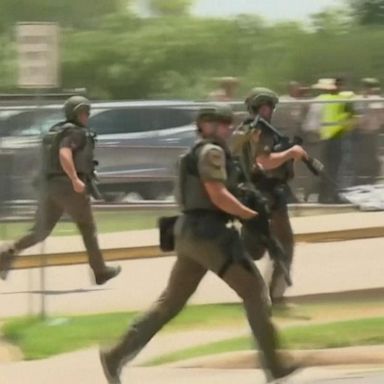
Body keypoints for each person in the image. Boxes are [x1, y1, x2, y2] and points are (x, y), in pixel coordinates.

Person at [99, 105, 298, 384]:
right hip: (210, 234)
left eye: (229, 124)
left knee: (169, 303)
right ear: (205, 125)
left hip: (190, 235)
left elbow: (233, 183)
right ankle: (274, 366)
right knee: (255, 292)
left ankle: (115, 355)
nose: (228, 129)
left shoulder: (202, 152)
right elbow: (217, 195)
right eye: (221, 124)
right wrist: (250, 215)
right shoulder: (211, 153)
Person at [0, 96, 121, 285]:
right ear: (75, 113)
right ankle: (100, 270)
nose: (86, 116)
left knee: (41, 231)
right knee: (88, 228)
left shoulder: (56, 131)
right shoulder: (74, 133)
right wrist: (74, 179)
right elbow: (64, 153)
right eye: (84, 112)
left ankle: (7, 253)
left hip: (50, 188)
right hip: (69, 188)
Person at [232, 88, 308, 307]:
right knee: (273, 246)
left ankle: (269, 295)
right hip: (264, 193)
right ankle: (270, 296)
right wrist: (290, 153)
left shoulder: (249, 129)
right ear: (255, 108)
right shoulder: (259, 131)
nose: (267, 111)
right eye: (263, 107)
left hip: (260, 193)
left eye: (269, 107)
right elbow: (264, 162)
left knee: (268, 246)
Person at [313, 78, 356, 203]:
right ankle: (330, 195)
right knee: (334, 169)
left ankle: (327, 195)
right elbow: (351, 116)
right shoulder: (341, 99)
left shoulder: (324, 99)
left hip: (328, 137)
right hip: (334, 138)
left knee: (329, 169)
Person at [353, 78, 384, 185]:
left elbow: (381, 117)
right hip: (361, 133)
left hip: (372, 132)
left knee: (373, 157)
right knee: (363, 157)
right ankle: (364, 180)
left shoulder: (376, 99)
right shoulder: (359, 99)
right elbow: (359, 116)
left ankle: (372, 179)